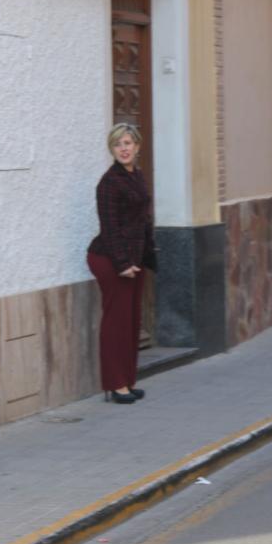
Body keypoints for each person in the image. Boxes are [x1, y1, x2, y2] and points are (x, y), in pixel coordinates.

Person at [87, 123, 157, 404]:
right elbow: (110, 228)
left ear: (137, 146)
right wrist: (122, 264)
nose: (124, 148)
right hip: (110, 259)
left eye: (128, 143)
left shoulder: (136, 175)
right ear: (112, 150)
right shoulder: (109, 183)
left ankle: (128, 380)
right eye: (118, 145)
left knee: (131, 322)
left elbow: (142, 220)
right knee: (116, 323)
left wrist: (146, 256)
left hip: (135, 259)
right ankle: (115, 386)